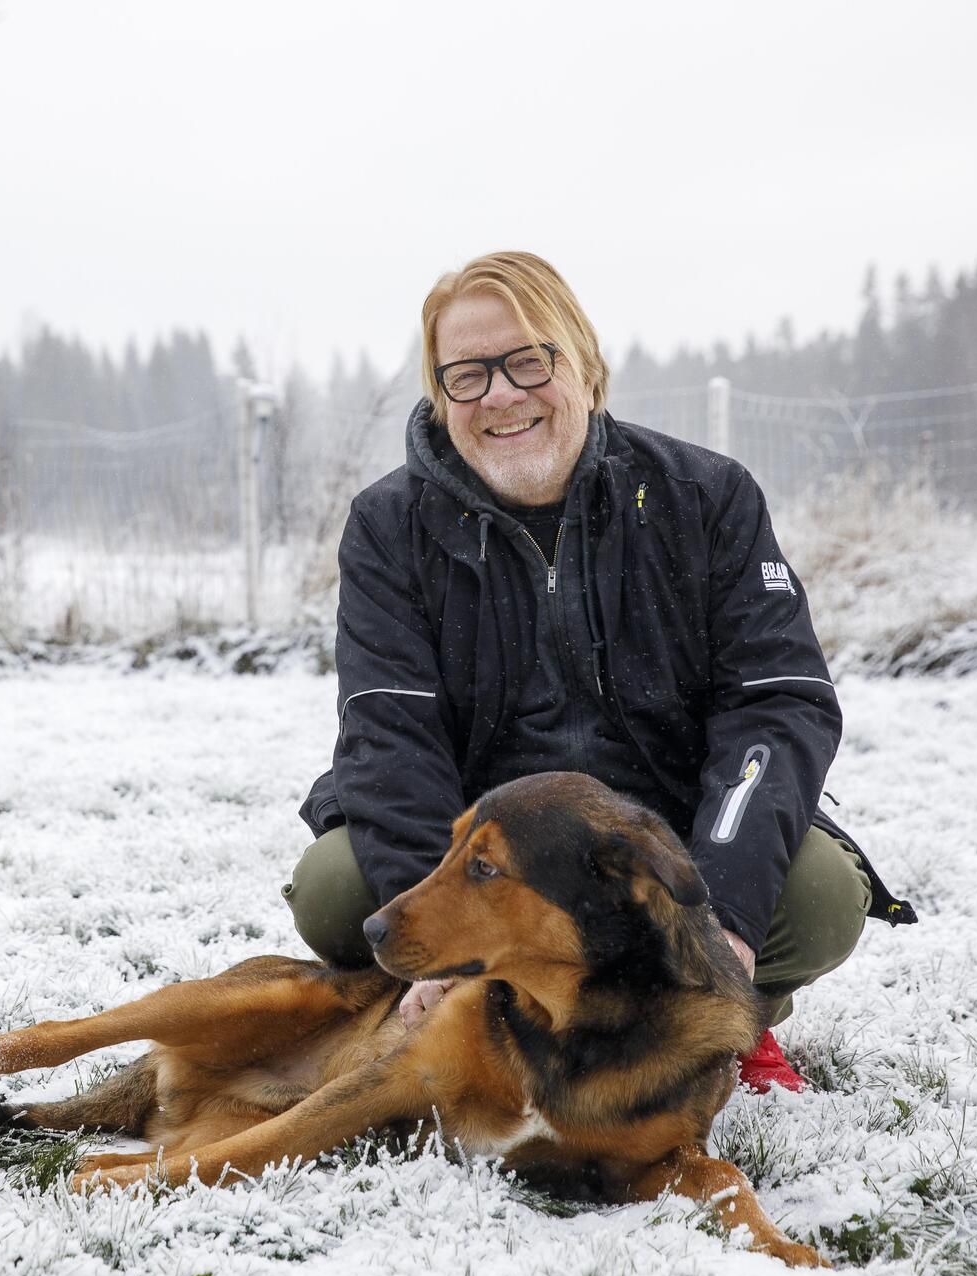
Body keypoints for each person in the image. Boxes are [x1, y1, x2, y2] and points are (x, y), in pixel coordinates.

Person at [285, 251, 914, 1092]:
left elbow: (777, 704)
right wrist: (438, 936)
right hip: (492, 860)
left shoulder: (708, 496)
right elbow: (388, 732)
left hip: (665, 840)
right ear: (441, 395)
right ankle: (478, 1006)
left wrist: (722, 914)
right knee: (334, 888)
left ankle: (725, 1008)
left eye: (527, 360)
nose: (500, 395)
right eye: (465, 375)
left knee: (821, 897)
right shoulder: (387, 526)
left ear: (584, 365)